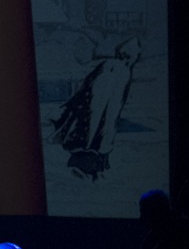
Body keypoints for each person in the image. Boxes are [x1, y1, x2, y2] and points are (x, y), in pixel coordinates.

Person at [49, 37, 140, 181]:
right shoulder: (115, 68)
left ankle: (92, 170)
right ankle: (86, 170)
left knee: (94, 141)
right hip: (95, 118)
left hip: (98, 118)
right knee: (92, 142)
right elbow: (98, 95)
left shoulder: (117, 68)